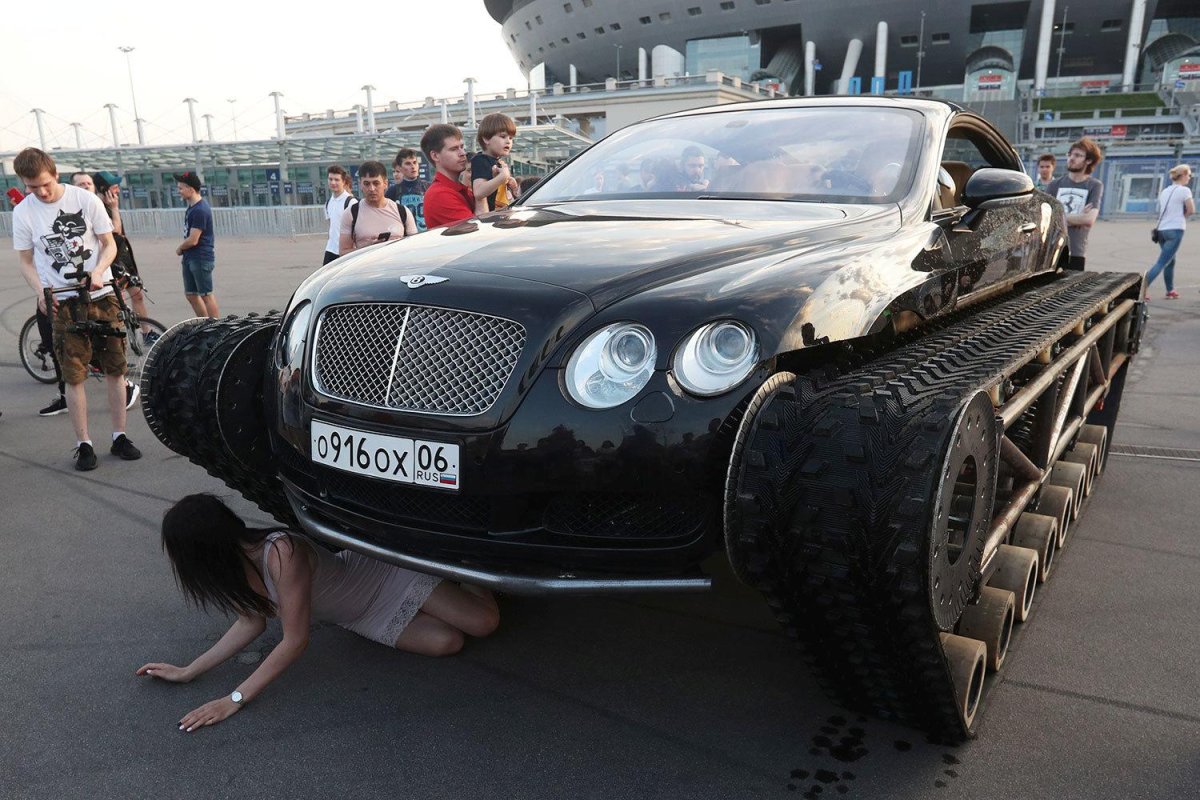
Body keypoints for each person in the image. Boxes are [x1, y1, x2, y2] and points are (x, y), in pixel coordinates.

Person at [136, 494, 499, 731]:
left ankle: (467, 566)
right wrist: (188, 671)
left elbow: (295, 640)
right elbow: (251, 621)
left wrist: (233, 699)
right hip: (359, 616)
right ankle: (442, 586)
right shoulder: (233, 571)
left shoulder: (281, 553)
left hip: (380, 577)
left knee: (484, 622)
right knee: (447, 642)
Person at [11, 147, 142, 470]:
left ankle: (119, 435)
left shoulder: (85, 200)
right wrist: (41, 291)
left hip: (101, 295)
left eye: (44, 184)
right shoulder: (24, 212)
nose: (40, 192)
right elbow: (26, 261)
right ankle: (84, 443)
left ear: (55, 174)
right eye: (31, 187)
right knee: (74, 375)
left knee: (115, 369)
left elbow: (109, 243)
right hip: (63, 301)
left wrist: (98, 272)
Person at [1045, 138, 1103, 271]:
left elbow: (1089, 220)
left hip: (1076, 251)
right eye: (1070, 154)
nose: (1071, 158)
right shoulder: (1055, 185)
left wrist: (1060, 217)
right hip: (1052, 249)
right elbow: (1048, 218)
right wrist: (1078, 217)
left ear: (1088, 160)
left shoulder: (1094, 185)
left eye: (1077, 155)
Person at [339, 160, 416, 253]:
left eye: (376, 183)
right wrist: (367, 248)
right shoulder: (351, 213)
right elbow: (343, 252)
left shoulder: (402, 211)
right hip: (367, 266)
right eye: (367, 184)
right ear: (360, 185)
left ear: (385, 183)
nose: (371, 189)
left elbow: (414, 248)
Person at [1145, 164, 1195, 300]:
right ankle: (1141, 288)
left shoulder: (1165, 191)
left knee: (1170, 260)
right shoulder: (1185, 191)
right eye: (1189, 175)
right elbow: (1191, 209)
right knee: (1162, 262)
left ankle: (1170, 289)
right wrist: (1182, 216)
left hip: (1161, 230)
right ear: (1183, 175)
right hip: (1175, 230)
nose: (1189, 178)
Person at [173, 171, 219, 317]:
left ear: (191, 189)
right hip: (190, 258)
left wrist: (180, 248)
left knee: (206, 295)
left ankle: (217, 328)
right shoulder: (192, 208)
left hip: (200, 258)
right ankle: (204, 324)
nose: (178, 191)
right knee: (191, 295)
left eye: (181, 188)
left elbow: (194, 239)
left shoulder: (200, 210)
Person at [421, 124, 476, 229]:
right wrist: (481, 197)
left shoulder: (458, 189)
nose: (462, 153)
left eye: (462, 147)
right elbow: (477, 232)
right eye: (454, 149)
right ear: (435, 156)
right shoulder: (439, 195)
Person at [471, 113, 521, 212]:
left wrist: (512, 187)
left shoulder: (499, 162)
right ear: (486, 139)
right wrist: (502, 178)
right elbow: (479, 192)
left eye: (511, 138)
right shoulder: (481, 160)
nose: (508, 141)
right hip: (488, 220)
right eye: (503, 136)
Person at [384, 148, 430, 232]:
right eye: (408, 164)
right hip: (405, 239)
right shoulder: (393, 191)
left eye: (415, 162)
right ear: (400, 168)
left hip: (427, 236)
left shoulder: (429, 187)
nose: (413, 167)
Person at [322, 165, 356, 265]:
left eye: (337, 180)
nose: (333, 183)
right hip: (330, 249)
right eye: (330, 179)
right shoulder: (328, 203)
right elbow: (331, 226)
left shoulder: (351, 202)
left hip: (346, 251)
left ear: (343, 182)